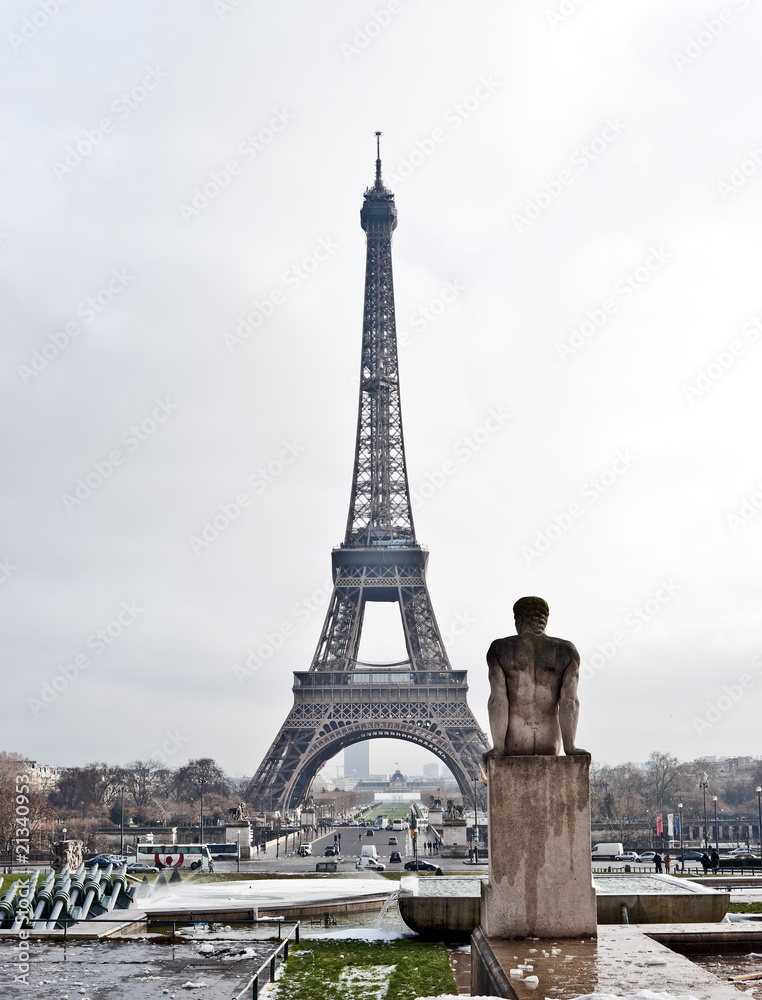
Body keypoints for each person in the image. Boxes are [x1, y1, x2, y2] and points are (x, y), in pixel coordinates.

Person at [485, 597, 590, 758]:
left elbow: (497, 701)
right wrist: (570, 747)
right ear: (545, 620)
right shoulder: (567, 651)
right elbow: (570, 702)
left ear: (519, 620)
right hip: (549, 741)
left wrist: (498, 748)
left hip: (516, 740)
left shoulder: (500, 649)